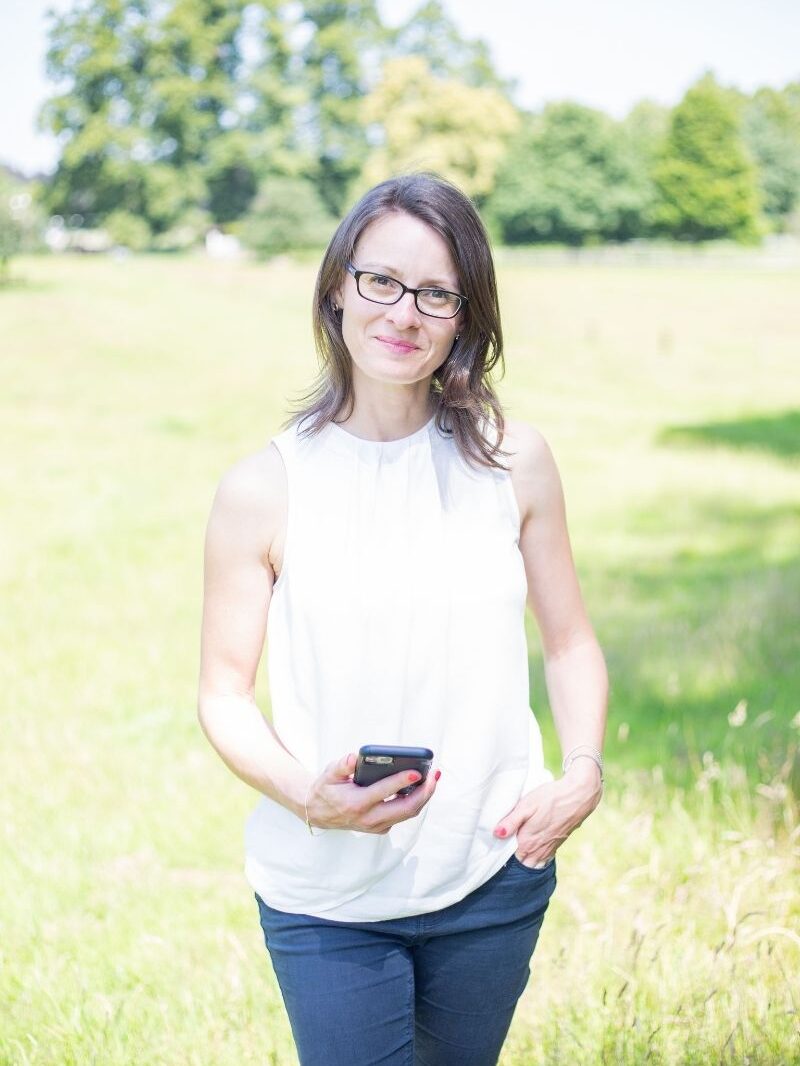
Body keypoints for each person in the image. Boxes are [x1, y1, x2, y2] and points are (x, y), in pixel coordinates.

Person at [197, 172, 608, 1066]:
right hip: (326, 898)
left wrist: (582, 772)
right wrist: (306, 795)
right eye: (381, 280)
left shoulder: (515, 461)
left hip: (493, 875)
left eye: (435, 293)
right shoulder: (263, 488)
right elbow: (223, 695)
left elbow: (571, 641)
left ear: (466, 316)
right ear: (338, 287)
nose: (403, 313)